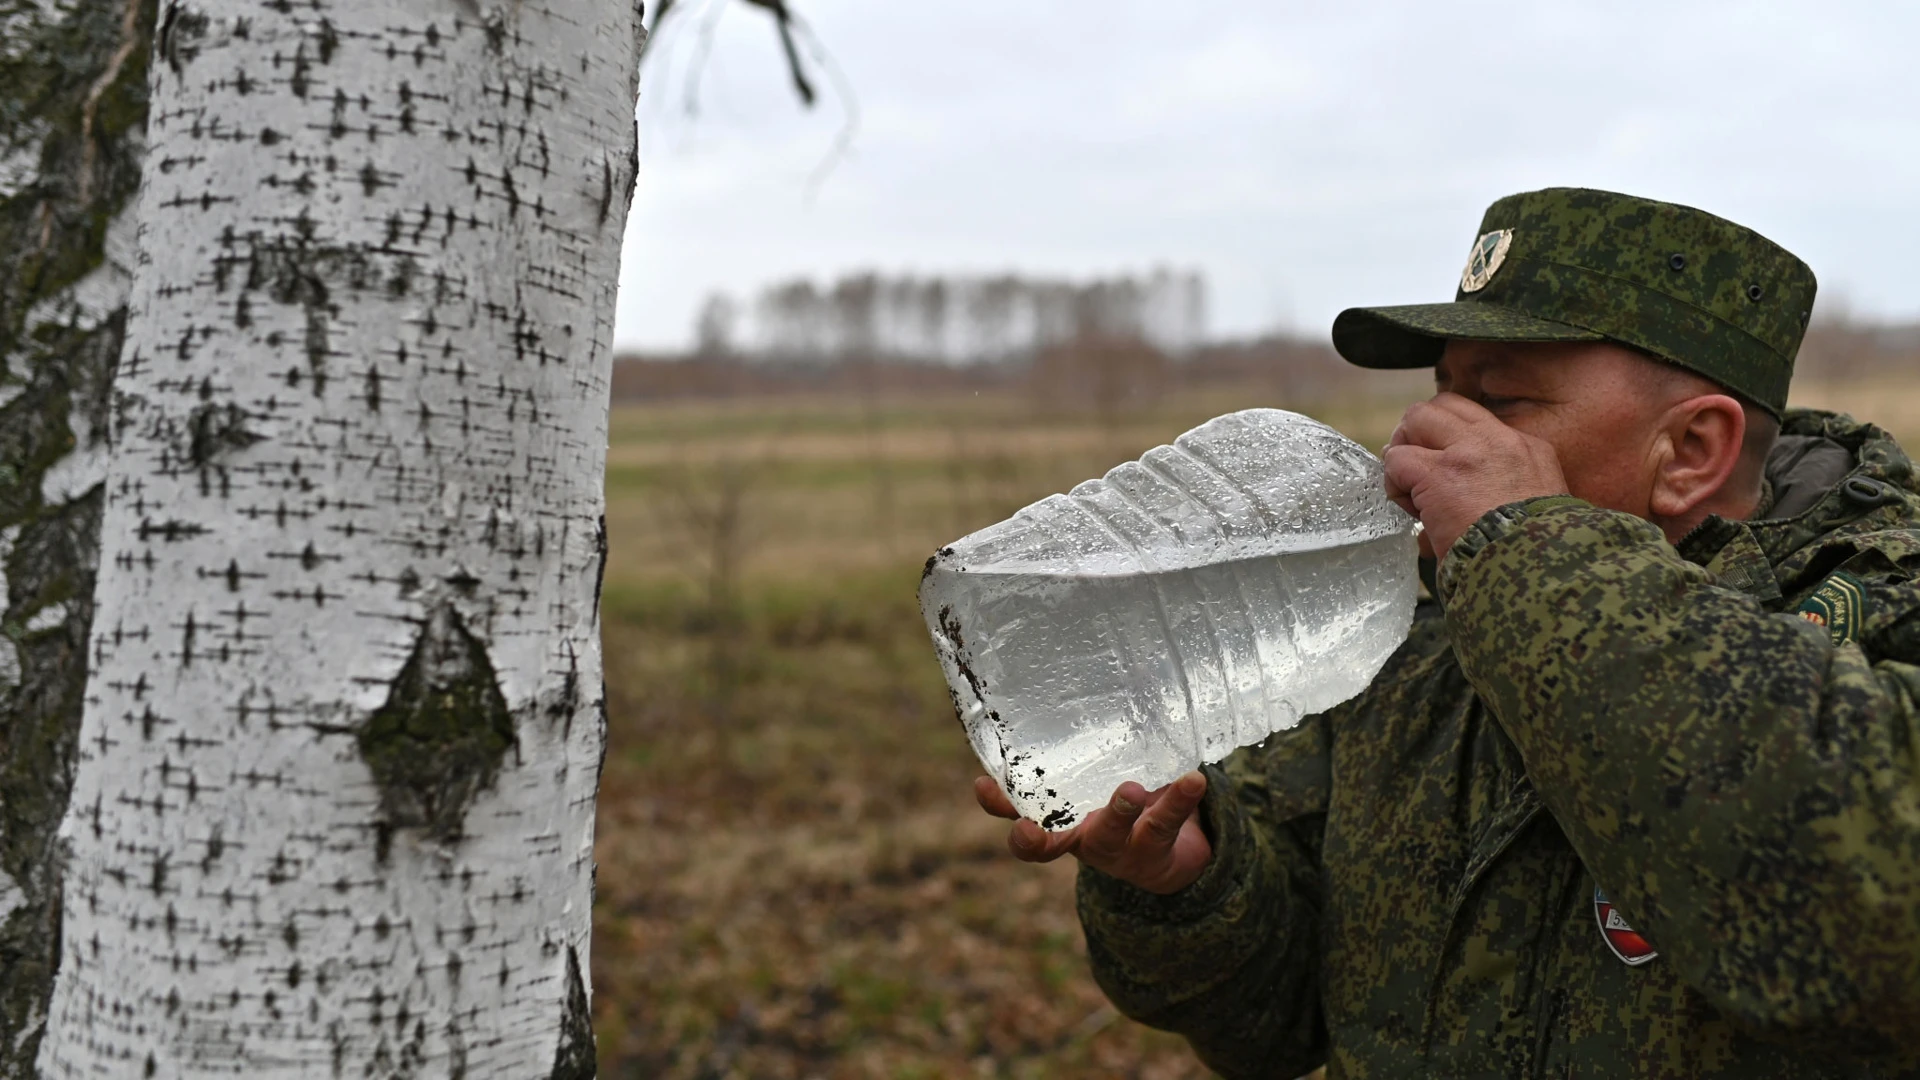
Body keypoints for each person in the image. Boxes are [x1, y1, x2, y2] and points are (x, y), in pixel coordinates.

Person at [972, 187, 1920, 1078]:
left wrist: (1528, 552)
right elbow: (1275, 1024)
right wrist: (1190, 884)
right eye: (1444, 390)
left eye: (1500, 403)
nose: (1422, 434)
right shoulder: (1419, 636)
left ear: (1691, 452)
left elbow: (1862, 922)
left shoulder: (1884, 618)